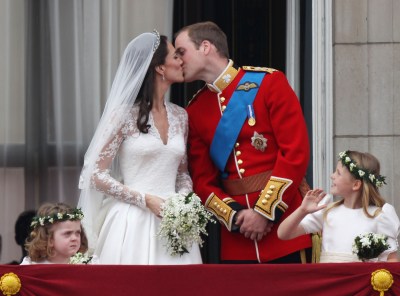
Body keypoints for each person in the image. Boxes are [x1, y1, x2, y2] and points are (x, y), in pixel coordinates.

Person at [174, 21, 311, 263]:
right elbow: (203, 182)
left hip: (285, 228)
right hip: (238, 239)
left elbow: (295, 153)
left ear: (205, 47)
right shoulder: (195, 110)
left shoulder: (269, 83)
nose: (177, 60)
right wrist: (236, 217)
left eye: (181, 51)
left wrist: (264, 212)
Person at [77, 31, 202, 264]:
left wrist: (182, 203)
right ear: (160, 68)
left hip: (174, 224)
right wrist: (145, 200)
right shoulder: (123, 115)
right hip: (132, 221)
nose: (182, 61)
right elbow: (94, 174)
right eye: (176, 56)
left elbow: (182, 174)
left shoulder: (180, 116)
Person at [278, 150, 400, 262]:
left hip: (361, 284)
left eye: (338, 173)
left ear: (356, 185)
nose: (332, 175)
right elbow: (283, 234)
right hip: (329, 282)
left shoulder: (380, 215)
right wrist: (302, 210)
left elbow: (391, 259)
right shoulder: (327, 210)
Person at [20, 202, 90, 264]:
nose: (74, 238)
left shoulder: (88, 264)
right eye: (67, 233)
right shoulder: (32, 265)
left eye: (78, 233)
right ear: (48, 238)